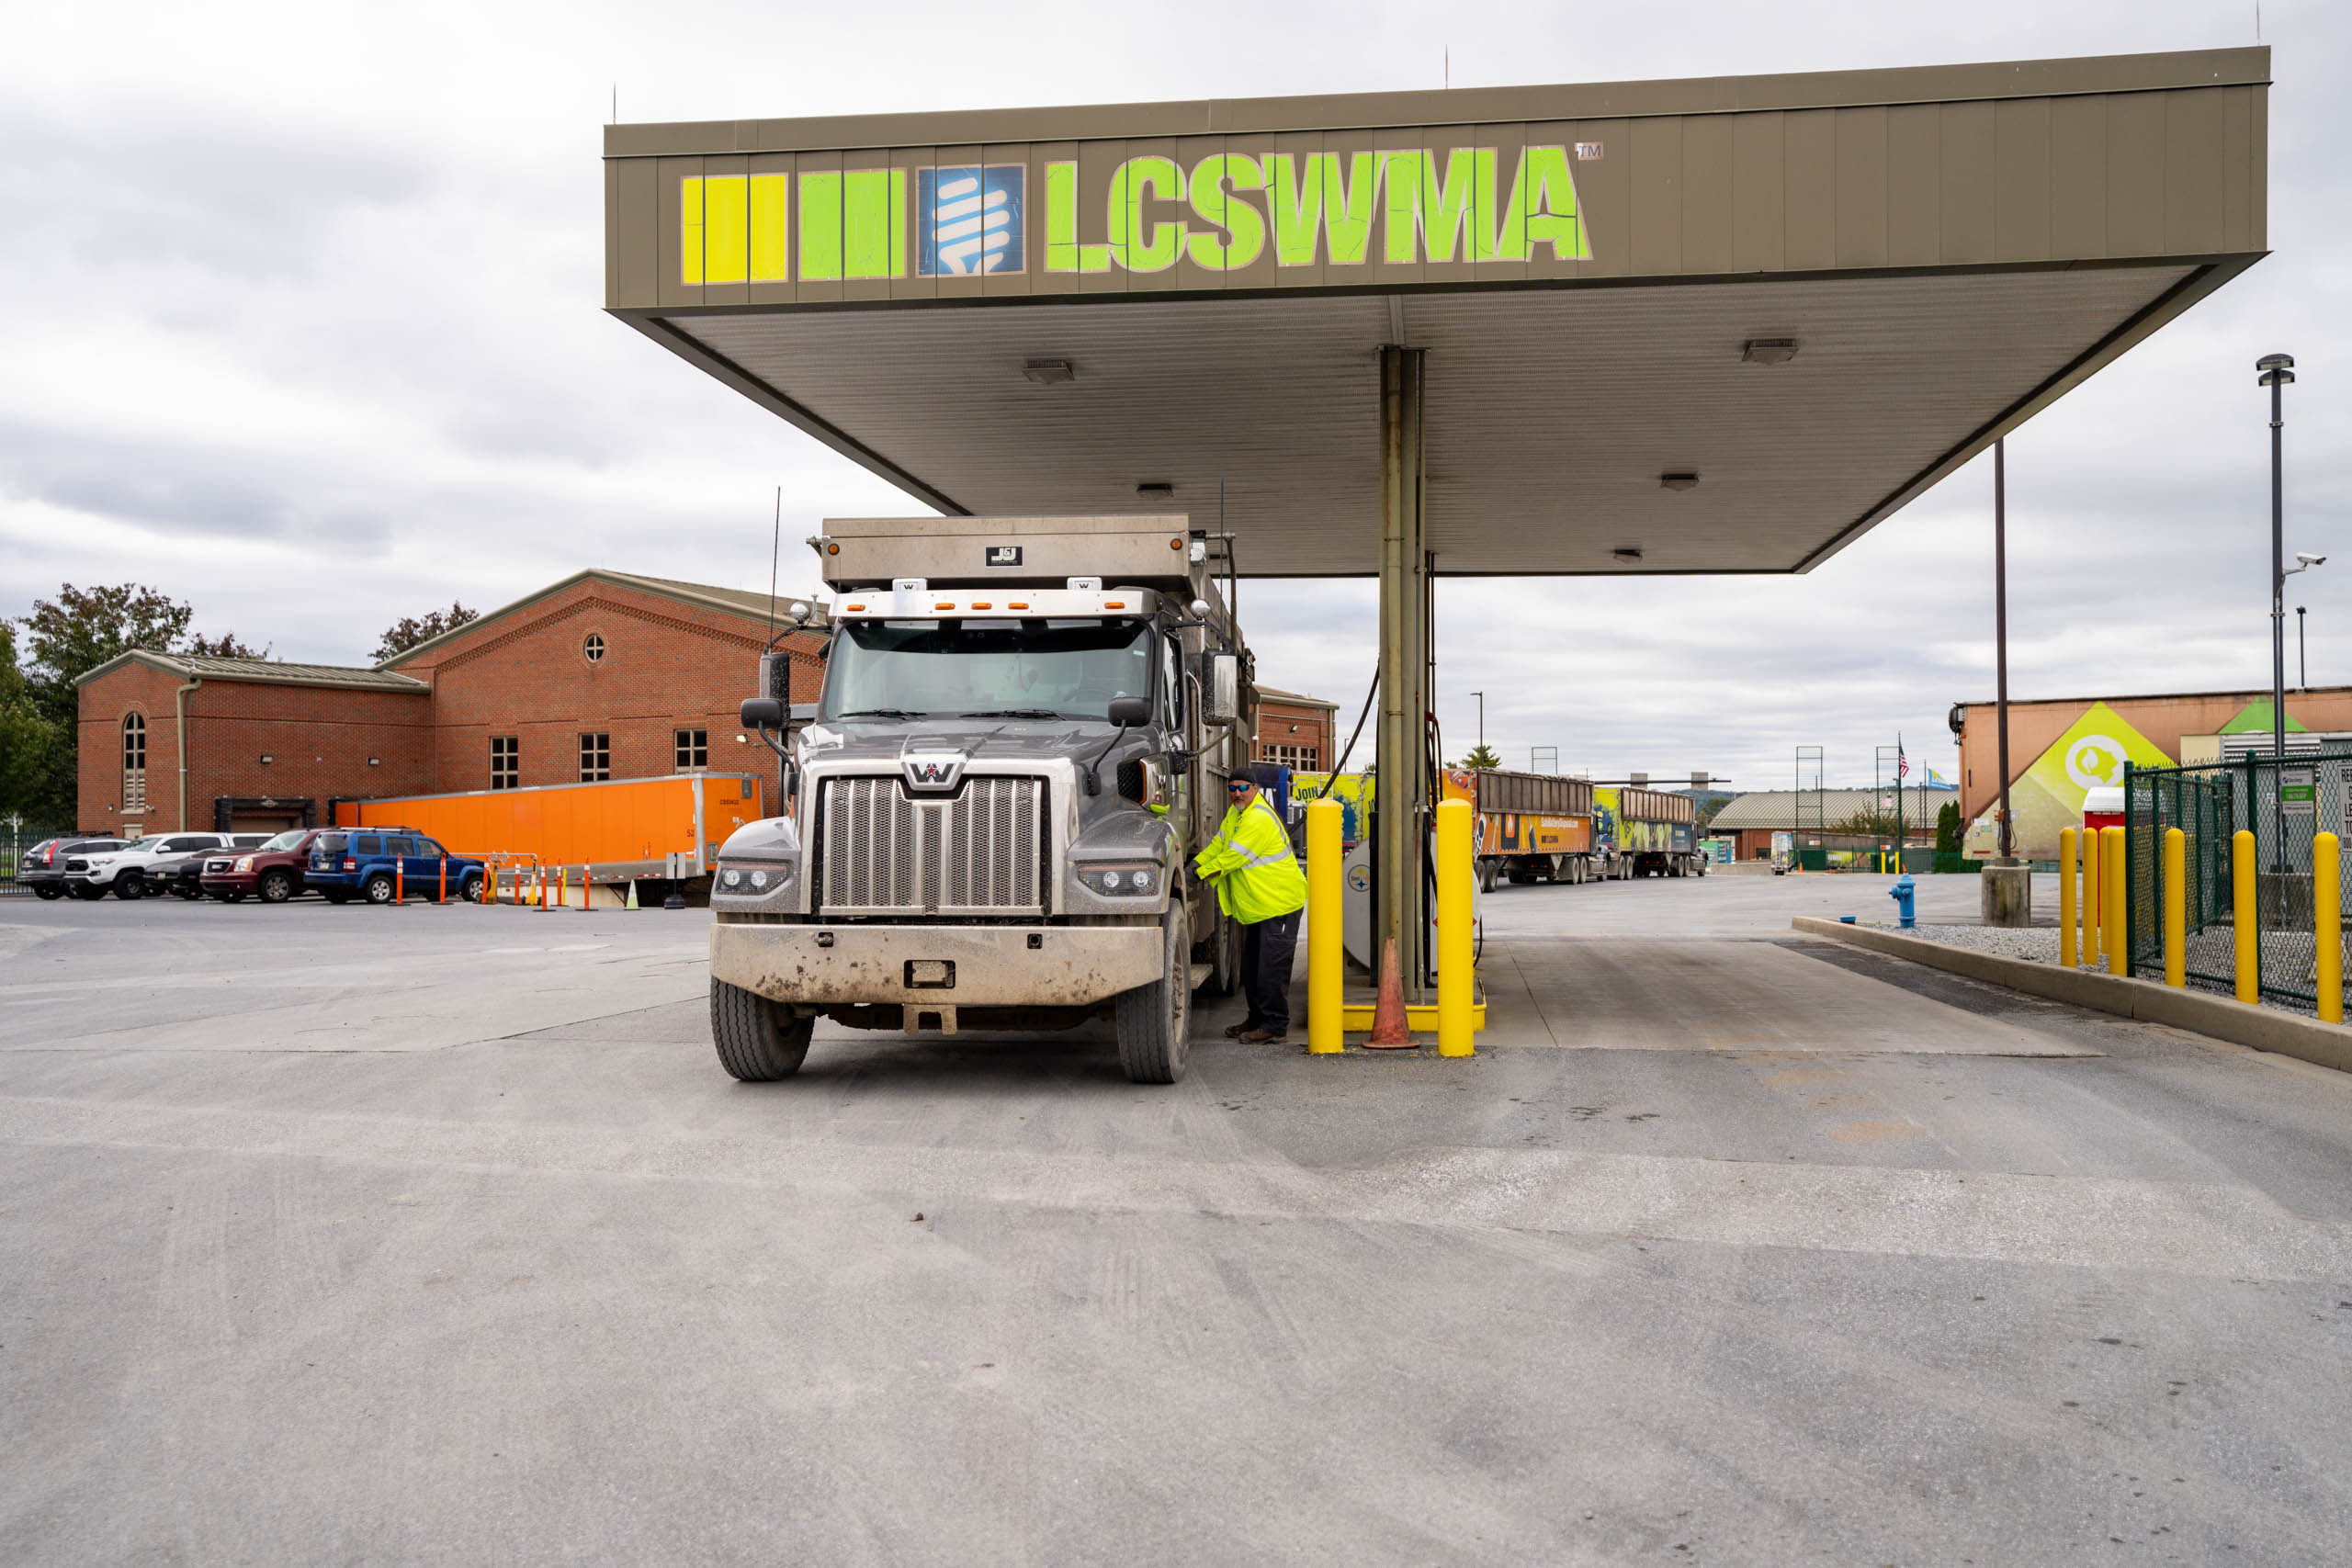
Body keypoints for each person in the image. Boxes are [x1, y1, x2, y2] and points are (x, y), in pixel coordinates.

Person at [1193, 774, 1308, 1043]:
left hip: (1279, 904)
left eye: (1243, 788)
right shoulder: (1235, 815)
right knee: (1252, 968)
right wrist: (1194, 865)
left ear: (1255, 789)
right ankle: (1257, 1019)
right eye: (1232, 788)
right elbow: (1217, 847)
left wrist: (1199, 875)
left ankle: (1275, 1026)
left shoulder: (1258, 818)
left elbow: (1233, 857)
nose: (1237, 793)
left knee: (1272, 969)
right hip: (1261, 906)